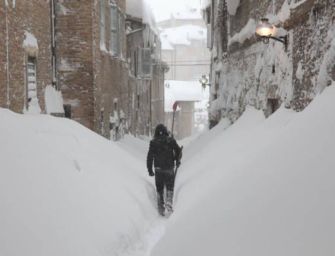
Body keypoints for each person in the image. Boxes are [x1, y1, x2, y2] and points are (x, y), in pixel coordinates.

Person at [147, 124, 181, 216]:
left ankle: (161, 207)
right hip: (169, 168)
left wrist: (150, 170)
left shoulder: (153, 142)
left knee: (159, 189)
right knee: (170, 187)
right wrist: (176, 159)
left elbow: (149, 157)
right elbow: (178, 151)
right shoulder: (170, 140)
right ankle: (169, 201)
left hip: (158, 170)